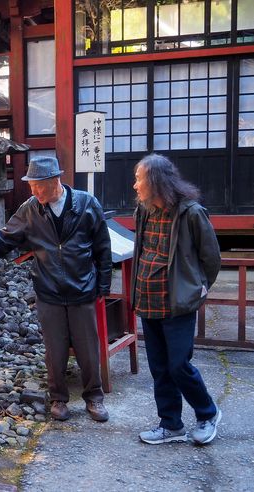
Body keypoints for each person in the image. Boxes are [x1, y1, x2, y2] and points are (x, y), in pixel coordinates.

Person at [0, 156, 112, 422]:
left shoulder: (87, 204)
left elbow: (102, 247)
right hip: (48, 290)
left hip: (83, 288)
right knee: (54, 348)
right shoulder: (30, 209)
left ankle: (94, 398)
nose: (34, 191)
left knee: (88, 348)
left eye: (39, 186)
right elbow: (2, 239)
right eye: (32, 186)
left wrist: (104, 283)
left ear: (55, 181)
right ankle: (58, 399)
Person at [132, 153, 222, 445]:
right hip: (148, 300)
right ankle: (171, 424)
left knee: (178, 365)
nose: (135, 185)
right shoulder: (144, 211)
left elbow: (211, 258)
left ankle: (207, 413)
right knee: (159, 367)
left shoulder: (191, 212)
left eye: (139, 179)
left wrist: (198, 288)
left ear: (156, 181)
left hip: (177, 302)